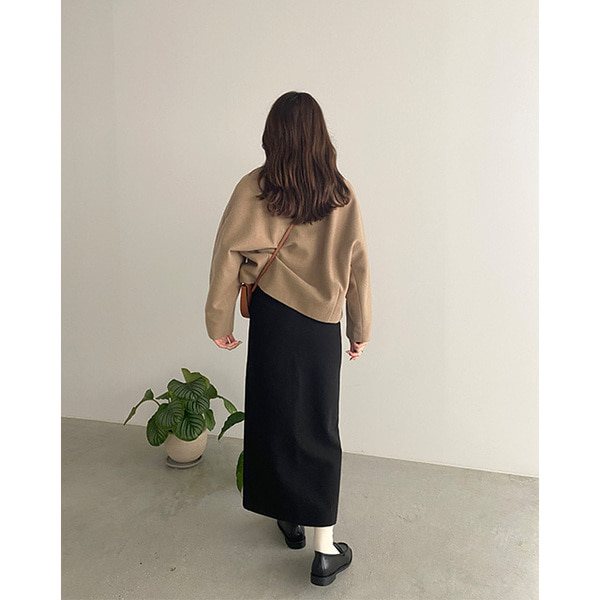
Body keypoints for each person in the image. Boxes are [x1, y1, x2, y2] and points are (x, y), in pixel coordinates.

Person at [204, 91, 372, 586]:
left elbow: (227, 254)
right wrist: (360, 328)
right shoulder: (340, 192)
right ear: (321, 135)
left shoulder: (254, 188)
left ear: (272, 134)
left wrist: (219, 322)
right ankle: (323, 548)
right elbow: (357, 264)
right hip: (321, 324)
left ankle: (290, 519)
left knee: (274, 414)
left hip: (274, 317)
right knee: (318, 424)